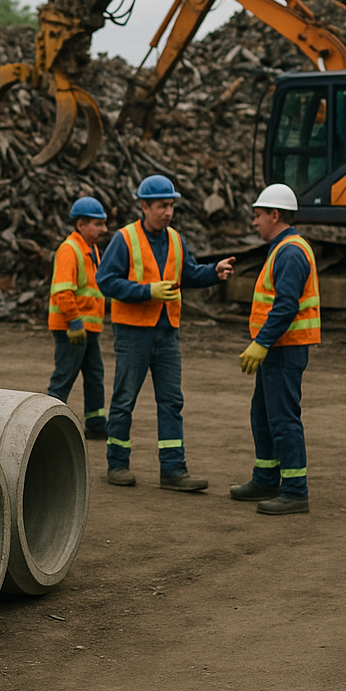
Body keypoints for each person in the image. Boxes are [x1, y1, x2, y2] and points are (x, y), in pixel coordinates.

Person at [96, 174, 235, 489]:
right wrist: (147, 291)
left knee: (172, 401)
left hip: (167, 332)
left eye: (171, 205)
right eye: (162, 206)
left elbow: (189, 273)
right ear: (144, 206)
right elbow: (106, 280)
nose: (168, 212)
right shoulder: (125, 239)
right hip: (133, 333)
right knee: (124, 399)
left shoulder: (175, 239)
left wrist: (214, 272)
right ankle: (117, 464)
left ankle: (173, 470)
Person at [232, 183, 320, 515]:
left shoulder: (291, 251)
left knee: (282, 419)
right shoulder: (283, 248)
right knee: (263, 416)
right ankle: (266, 478)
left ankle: (296, 490)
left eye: (257, 216)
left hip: (284, 349)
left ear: (275, 214)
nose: (254, 223)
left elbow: (285, 306)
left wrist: (262, 342)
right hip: (277, 350)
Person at [48, 196, 108, 440]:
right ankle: (46, 422)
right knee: (64, 376)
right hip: (71, 327)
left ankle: (95, 423)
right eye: (98, 224)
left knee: (94, 375)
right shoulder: (69, 249)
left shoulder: (91, 249)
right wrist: (74, 321)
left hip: (87, 327)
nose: (104, 229)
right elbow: (63, 291)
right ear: (81, 224)